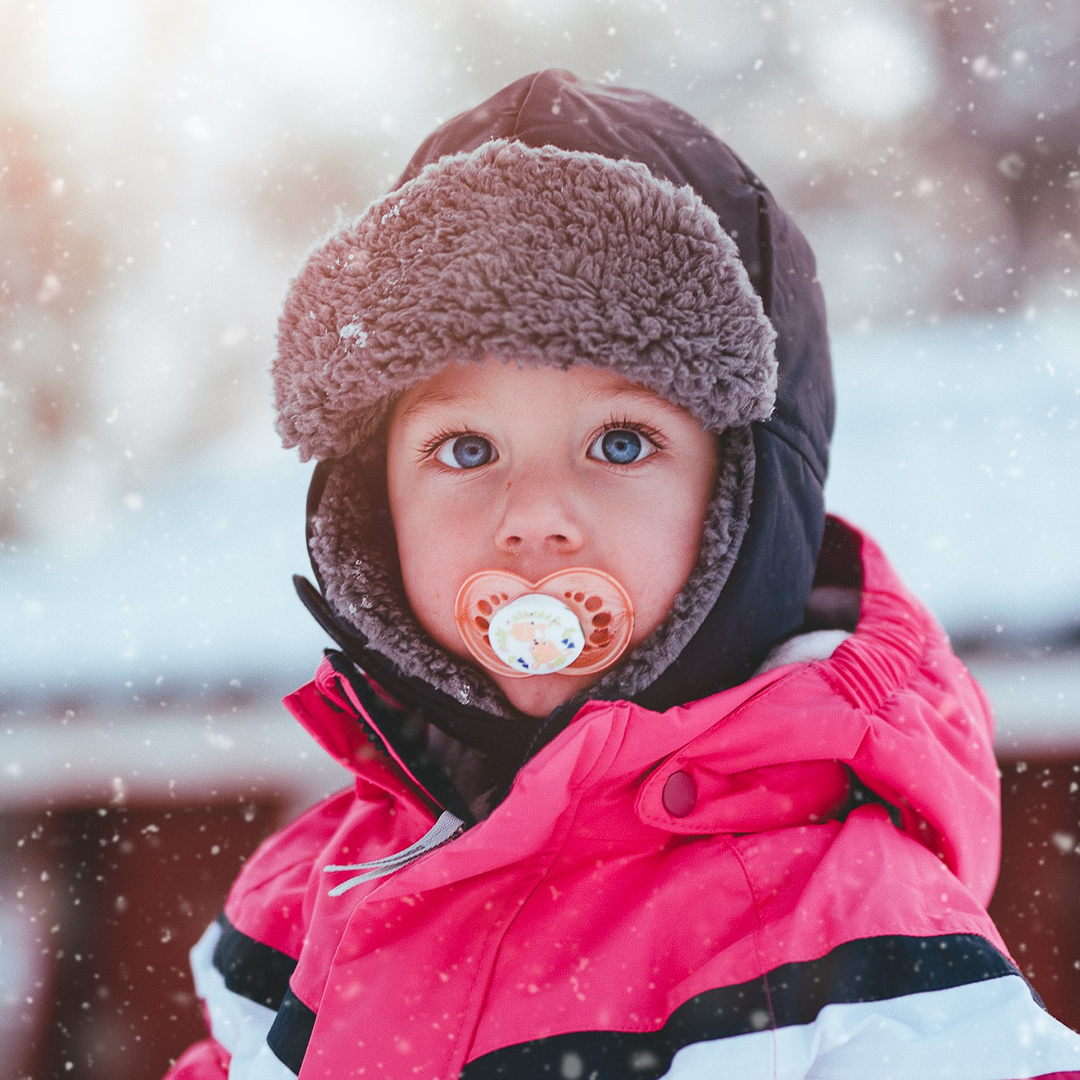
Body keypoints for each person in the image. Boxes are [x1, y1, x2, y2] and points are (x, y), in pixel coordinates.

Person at [165, 70, 1080, 1079]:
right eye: (467, 449)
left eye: (619, 442)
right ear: (371, 510)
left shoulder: (851, 940)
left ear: (744, 497)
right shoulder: (307, 896)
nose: (534, 518)